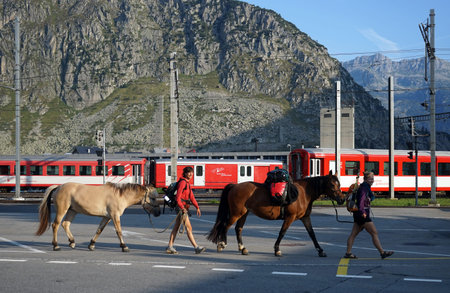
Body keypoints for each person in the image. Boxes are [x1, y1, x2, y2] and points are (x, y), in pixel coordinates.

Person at [344, 171, 394, 259]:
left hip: (358, 214)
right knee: (374, 232)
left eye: (373, 179)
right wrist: (363, 212)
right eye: (370, 179)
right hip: (362, 215)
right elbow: (360, 202)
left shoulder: (366, 187)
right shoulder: (364, 188)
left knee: (353, 234)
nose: (372, 180)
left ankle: (348, 253)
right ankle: (382, 252)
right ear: (365, 179)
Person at [166, 166, 206, 255]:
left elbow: (191, 197)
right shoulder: (183, 183)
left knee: (176, 228)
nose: (191, 174)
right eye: (189, 172)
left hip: (184, 208)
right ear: (185, 173)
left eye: (191, 172)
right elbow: (178, 197)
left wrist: (197, 207)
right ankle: (196, 247)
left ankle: (170, 246)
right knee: (189, 228)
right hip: (181, 208)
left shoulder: (187, 183)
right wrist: (182, 208)